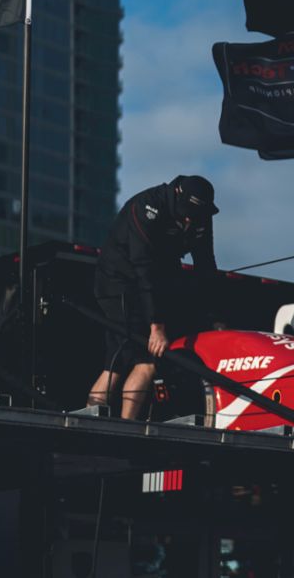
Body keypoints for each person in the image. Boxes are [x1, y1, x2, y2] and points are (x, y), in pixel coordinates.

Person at [86, 175, 219, 419]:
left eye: (195, 215)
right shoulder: (147, 207)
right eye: (186, 213)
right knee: (143, 360)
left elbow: (205, 265)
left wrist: (214, 315)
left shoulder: (200, 216)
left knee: (125, 361)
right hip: (120, 282)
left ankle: (104, 422)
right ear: (177, 194)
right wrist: (156, 327)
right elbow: (143, 269)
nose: (189, 219)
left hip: (156, 283)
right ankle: (120, 428)